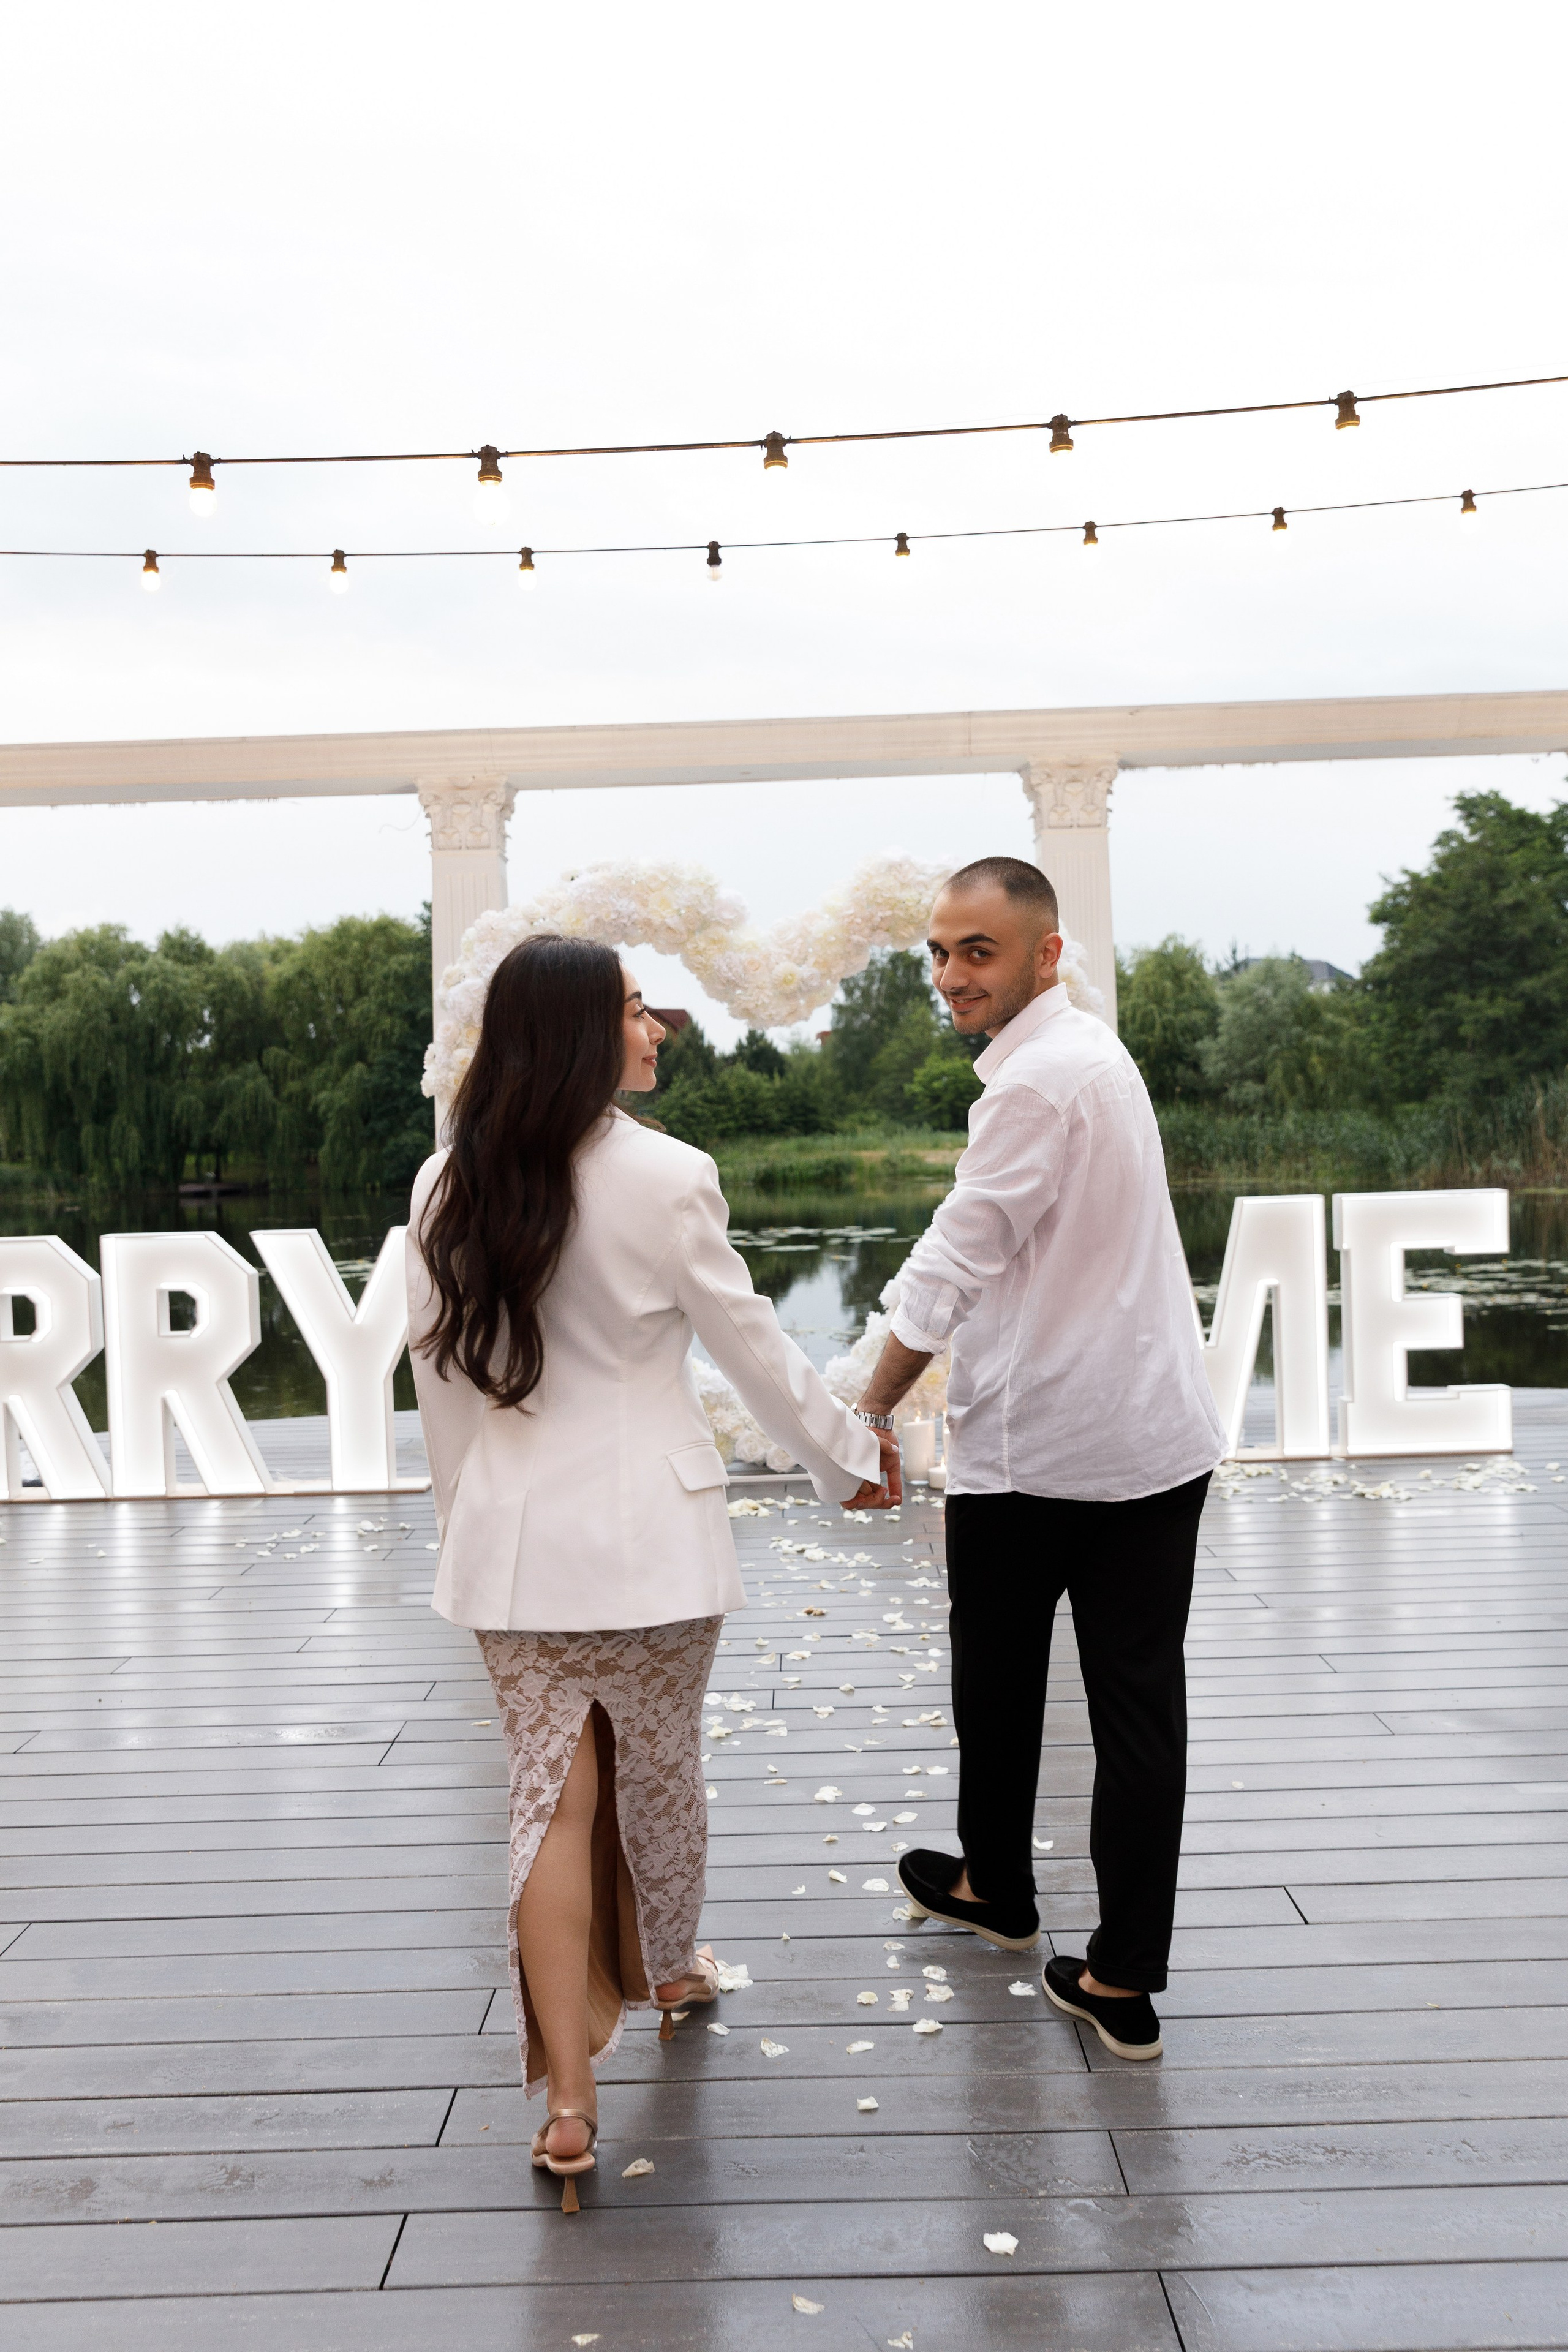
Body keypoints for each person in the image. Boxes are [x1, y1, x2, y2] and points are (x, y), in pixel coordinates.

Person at [406, 933, 895, 2209]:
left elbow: (441, 1390)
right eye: (634, 1010)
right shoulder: (669, 1178)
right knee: (661, 1770)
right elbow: (752, 1348)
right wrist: (848, 1460)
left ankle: (567, 2102)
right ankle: (672, 1967)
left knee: (546, 1806)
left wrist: (468, 1525)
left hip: (512, 1553)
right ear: (577, 1034)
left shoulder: (445, 1184)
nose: (657, 1029)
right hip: (653, 1546)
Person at [853, 857, 1224, 2061]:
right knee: (1133, 1706)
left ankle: (1004, 1896)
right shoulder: (1092, 1056)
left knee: (1002, 1683)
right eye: (939, 952)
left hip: (1043, 1447)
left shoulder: (1032, 1085)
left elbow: (951, 1265)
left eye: (978, 951)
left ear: (1044, 954)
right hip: (1154, 1438)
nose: (950, 975)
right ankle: (1112, 1971)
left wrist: (863, 1413)